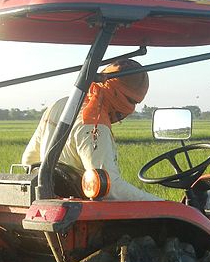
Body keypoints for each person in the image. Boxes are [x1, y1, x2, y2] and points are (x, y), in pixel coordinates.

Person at [21, 59, 161, 201]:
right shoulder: (94, 124)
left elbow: (29, 159)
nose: (131, 109)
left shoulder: (61, 105)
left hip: (51, 203)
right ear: (118, 93)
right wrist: (164, 204)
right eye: (132, 101)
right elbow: (110, 188)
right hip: (81, 212)